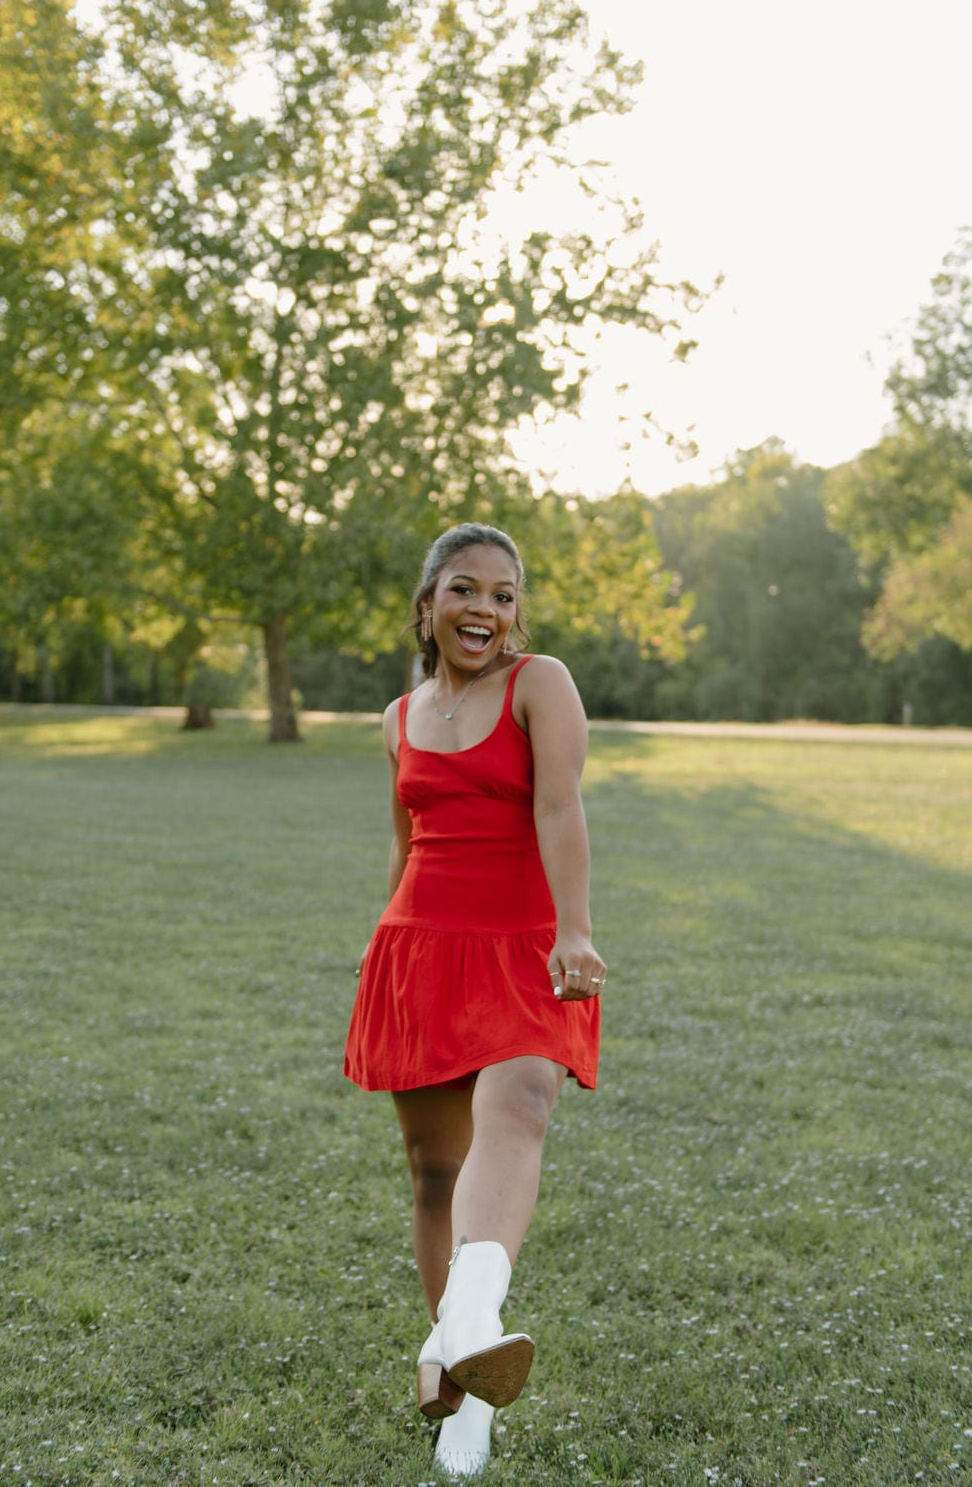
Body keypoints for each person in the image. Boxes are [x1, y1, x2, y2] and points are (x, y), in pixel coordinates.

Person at [343, 522, 606, 1478]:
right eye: (464, 590)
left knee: (521, 1102)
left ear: (516, 613)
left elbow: (559, 806)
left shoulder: (542, 684)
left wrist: (574, 930)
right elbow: (406, 845)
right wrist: (383, 948)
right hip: (420, 948)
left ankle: (464, 1334)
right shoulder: (397, 717)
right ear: (428, 607)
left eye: (502, 594)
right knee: (429, 1172)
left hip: (527, 944)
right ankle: (463, 1392)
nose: (483, 609)